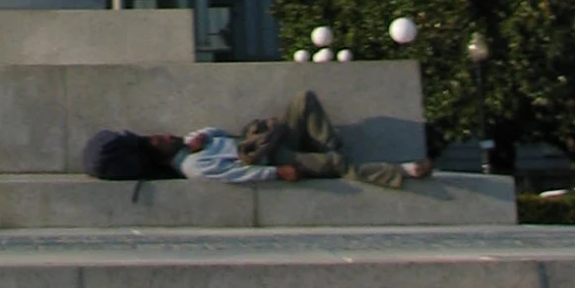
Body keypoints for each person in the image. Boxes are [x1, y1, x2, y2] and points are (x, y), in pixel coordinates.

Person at [82, 90, 434, 190]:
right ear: (160, 156)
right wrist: (277, 172)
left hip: (265, 140)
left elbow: (223, 132)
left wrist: (205, 134)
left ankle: (329, 147)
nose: (166, 134)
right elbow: (238, 175)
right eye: (160, 139)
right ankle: (401, 171)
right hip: (271, 158)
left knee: (303, 101)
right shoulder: (194, 166)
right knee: (337, 167)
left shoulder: (192, 145)